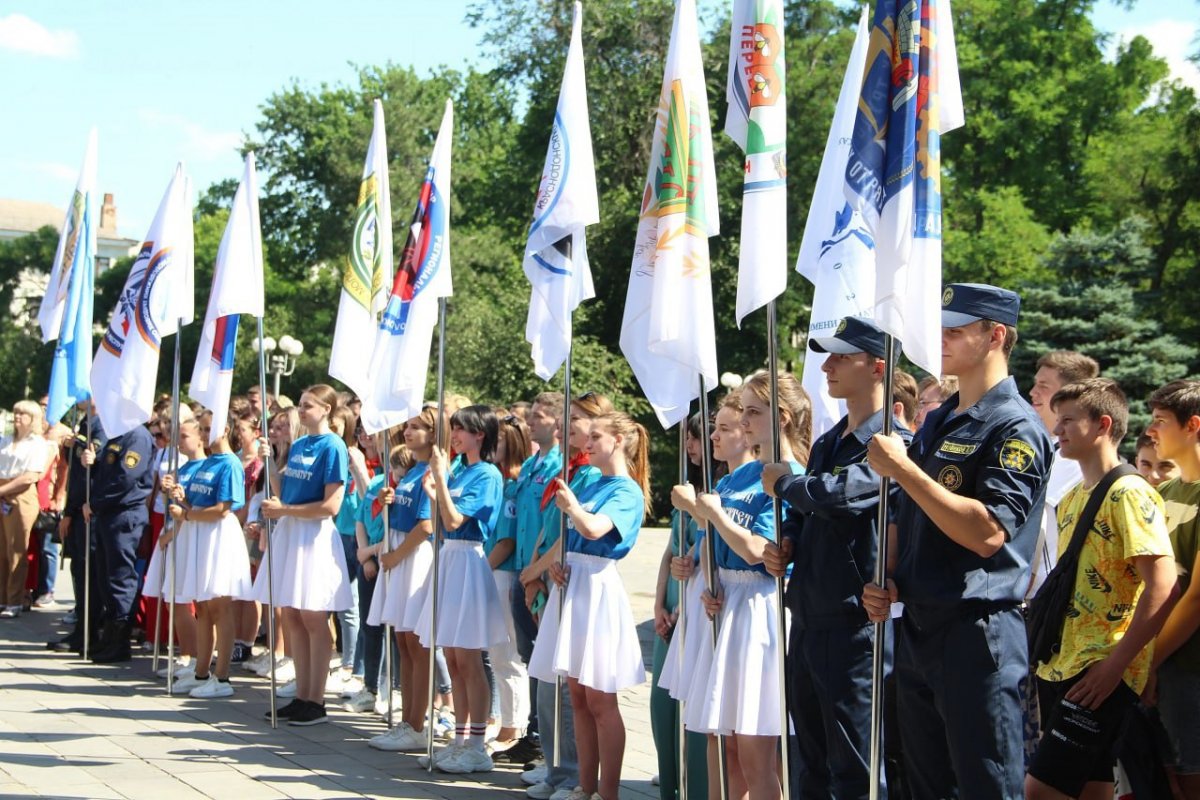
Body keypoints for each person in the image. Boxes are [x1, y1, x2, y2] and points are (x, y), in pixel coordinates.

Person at [862, 283, 1053, 799]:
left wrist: (905, 471)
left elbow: (989, 532)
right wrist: (889, 580)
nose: (940, 338)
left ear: (995, 335)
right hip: (921, 622)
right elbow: (907, 513)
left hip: (977, 630)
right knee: (924, 782)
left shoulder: (1015, 426)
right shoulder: (942, 419)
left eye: (955, 330)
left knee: (986, 783)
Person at [762, 317, 907, 800]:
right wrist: (787, 540)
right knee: (811, 760)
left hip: (855, 625)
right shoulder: (829, 440)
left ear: (877, 367)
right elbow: (809, 516)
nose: (827, 366)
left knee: (856, 767)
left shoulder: (892, 441)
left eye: (842, 357)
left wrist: (786, 483)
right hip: (809, 614)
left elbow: (845, 495)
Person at [1024, 378, 1176, 800]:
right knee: (1093, 788)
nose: (1057, 431)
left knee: (1039, 790)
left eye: (1069, 421)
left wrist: (1117, 666)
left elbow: (1163, 586)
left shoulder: (1129, 493)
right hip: (1063, 664)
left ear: (1103, 424)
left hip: (1100, 668)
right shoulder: (1072, 498)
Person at [674, 390, 792, 800]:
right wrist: (708, 581)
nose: (743, 422)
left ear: (783, 417)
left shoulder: (785, 474)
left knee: (754, 747)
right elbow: (713, 543)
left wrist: (709, 513)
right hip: (727, 602)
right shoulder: (733, 477)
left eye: (751, 413)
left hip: (760, 605)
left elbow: (760, 551)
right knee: (719, 737)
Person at [530, 411, 651, 800]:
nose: (588, 442)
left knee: (600, 698)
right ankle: (585, 785)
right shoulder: (597, 483)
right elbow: (572, 536)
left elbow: (595, 529)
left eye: (596, 436)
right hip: (576, 584)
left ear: (619, 440)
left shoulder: (626, 490)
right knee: (577, 696)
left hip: (598, 587)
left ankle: (608, 791)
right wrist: (556, 569)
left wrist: (571, 507)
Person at [520, 391, 613, 797]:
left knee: (572, 690)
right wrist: (536, 571)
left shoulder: (594, 473)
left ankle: (575, 774)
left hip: (575, 582)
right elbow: (550, 525)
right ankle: (559, 769)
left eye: (573, 417)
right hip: (555, 578)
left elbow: (576, 529)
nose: (565, 424)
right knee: (551, 682)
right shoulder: (575, 470)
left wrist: (535, 571)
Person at [250, 385, 353, 726]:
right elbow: (283, 489)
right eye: (301, 404)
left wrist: (287, 510)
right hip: (292, 530)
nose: (302, 409)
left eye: (308, 405)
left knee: (312, 616)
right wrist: (271, 458)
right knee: (291, 614)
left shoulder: (333, 446)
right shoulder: (300, 445)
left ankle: (316, 698)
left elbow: (330, 506)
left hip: (313, 535)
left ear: (326, 409)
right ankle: (301, 694)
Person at [416, 404, 508, 774]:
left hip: (469, 559)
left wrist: (439, 482)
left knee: (469, 658)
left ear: (479, 434)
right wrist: (434, 489)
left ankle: (476, 744)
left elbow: (456, 519)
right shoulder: (459, 470)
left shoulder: (486, 474)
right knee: (452, 656)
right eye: (453, 428)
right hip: (449, 557)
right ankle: (458, 739)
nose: (453, 435)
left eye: (461, 429)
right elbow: (441, 524)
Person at [161, 419, 252, 698]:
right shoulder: (208, 463)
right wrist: (183, 499)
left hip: (219, 536)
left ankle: (222, 677)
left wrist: (187, 515)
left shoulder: (230, 464)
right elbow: (200, 503)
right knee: (203, 606)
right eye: (200, 428)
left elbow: (224, 508)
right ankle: (201, 671)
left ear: (225, 430)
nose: (203, 433)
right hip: (201, 533)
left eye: (207, 428)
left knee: (219, 605)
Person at [367, 409, 440, 750]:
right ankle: (407, 720)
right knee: (403, 642)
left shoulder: (433, 470)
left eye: (416, 427)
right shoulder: (412, 469)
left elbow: (427, 525)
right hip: (400, 554)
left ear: (434, 432)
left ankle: (417, 722)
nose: (408, 432)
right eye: (408, 427)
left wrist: (396, 556)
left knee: (417, 643)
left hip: (415, 558)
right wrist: (389, 501)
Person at [1145, 379, 1200, 799]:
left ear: (1193, 425)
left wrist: (1148, 660)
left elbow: (1196, 599)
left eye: (1161, 421)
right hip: (1159, 664)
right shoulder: (1163, 492)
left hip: (1189, 669)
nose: (1150, 430)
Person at [650, 412, 710, 800]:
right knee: (662, 705)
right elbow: (671, 550)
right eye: (688, 438)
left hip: (695, 603)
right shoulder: (685, 490)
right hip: (671, 603)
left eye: (696, 438)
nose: (688, 446)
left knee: (693, 710)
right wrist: (658, 602)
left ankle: (699, 787)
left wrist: (695, 562)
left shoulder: (715, 492)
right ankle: (669, 782)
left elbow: (709, 548)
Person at [82, 412, 155, 662]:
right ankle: (109, 636)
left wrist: (97, 502)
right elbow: (108, 472)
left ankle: (120, 640)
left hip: (125, 515)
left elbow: (126, 478)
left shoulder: (137, 437)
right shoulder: (118, 434)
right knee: (106, 576)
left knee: (120, 578)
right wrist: (93, 462)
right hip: (109, 514)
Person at [1027, 350, 1100, 596]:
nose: (1032, 392)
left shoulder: (1073, 457)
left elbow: (1035, 518)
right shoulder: (1048, 444)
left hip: (1049, 593)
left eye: (1043, 386)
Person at [487, 414, 534, 752]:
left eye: (499, 441)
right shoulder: (501, 481)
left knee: (508, 654)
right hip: (494, 571)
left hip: (503, 573)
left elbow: (507, 541)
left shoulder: (515, 484)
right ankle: (506, 720)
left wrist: (479, 572)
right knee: (497, 653)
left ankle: (513, 725)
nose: (493, 447)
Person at [47, 405, 104, 653]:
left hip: (89, 511)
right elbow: (77, 475)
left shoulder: (101, 425)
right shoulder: (87, 423)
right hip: (78, 508)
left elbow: (92, 474)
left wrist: (75, 509)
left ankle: (89, 634)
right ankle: (82, 630)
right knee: (79, 571)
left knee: (89, 573)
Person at [0, 400, 49, 617]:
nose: (17, 417)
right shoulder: (6, 440)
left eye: (23, 414)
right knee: (2, 551)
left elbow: (30, 476)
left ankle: (15, 601)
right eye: (16, 412)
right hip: (3, 491)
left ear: (33, 418)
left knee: (16, 550)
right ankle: (2, 598)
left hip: (20, 495)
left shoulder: (37, 443)